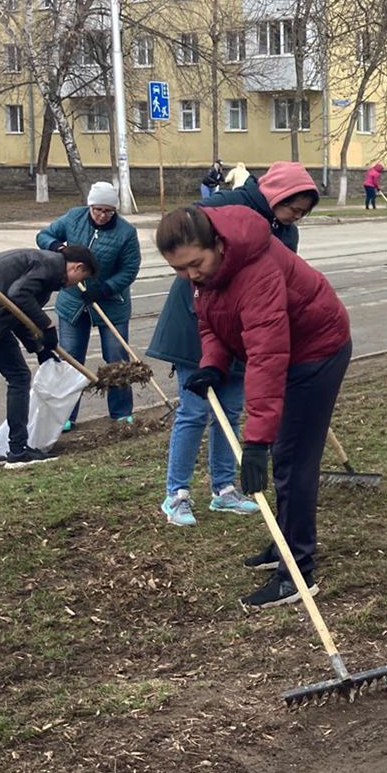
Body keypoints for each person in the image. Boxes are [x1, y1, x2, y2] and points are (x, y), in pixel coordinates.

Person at [155, 204, 351, 609]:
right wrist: (213, 364)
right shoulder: (211, 271)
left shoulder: (256, 270)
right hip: (287, 351)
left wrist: (257, 440)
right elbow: (211, 322)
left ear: (218, 243)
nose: (190, 275)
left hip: (316, 350)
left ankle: (297, 571)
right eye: (178, 269)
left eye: (194, 264)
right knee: (286, 455)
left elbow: (267, 355)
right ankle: (284, 540)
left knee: (291, 458)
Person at [0, 245, 98, 471]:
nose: (73, 284)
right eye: (79, 278)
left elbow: (17, 313)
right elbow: (18, 296)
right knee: (18, 376)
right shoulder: (50, 266)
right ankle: (18, 451)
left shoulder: (40, 262)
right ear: (77, 267)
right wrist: (46, 325)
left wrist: (39, 347)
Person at [146, 275, 258, 525]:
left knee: (229, 413)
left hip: (237, 337)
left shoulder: (272, 247)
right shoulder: (205, 260)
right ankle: (176, 495)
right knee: (194, 412)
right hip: (193, 336)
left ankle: (224, 489)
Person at [36, 182, 142, 430]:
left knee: (116, 358)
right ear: (90, 206)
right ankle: (66, 416)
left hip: (111, 304)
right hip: (73, 301)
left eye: (108, 211)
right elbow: (44, 235)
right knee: (72, 358)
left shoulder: (126, 233)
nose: (102, 216)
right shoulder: (74, 218)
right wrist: (59, 248)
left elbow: (129, 269)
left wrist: (104, 289)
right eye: (97, 210)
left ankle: (121, 412)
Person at [202, 161, 319, 253]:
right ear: (277, 196)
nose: (298, 216)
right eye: (295, 210)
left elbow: (289, 272)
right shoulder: (232, 202)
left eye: (304, 212)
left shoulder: (290, 233)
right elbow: (188, 220)